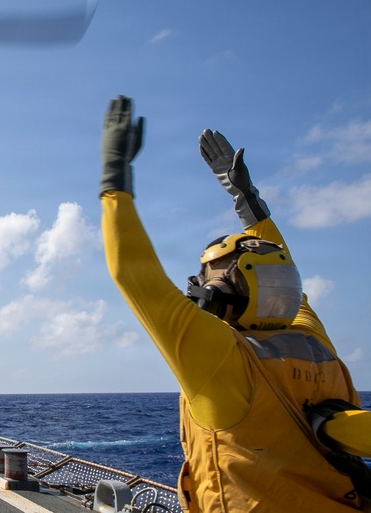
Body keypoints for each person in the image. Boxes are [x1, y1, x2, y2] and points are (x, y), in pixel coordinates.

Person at [99, 95, 371, 512]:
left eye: (208, 277)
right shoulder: (316, 344)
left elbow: (134, 274)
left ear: (224, 294)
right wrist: (245, 197)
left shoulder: (219, 359)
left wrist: (113, 179)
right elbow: (280, 264)